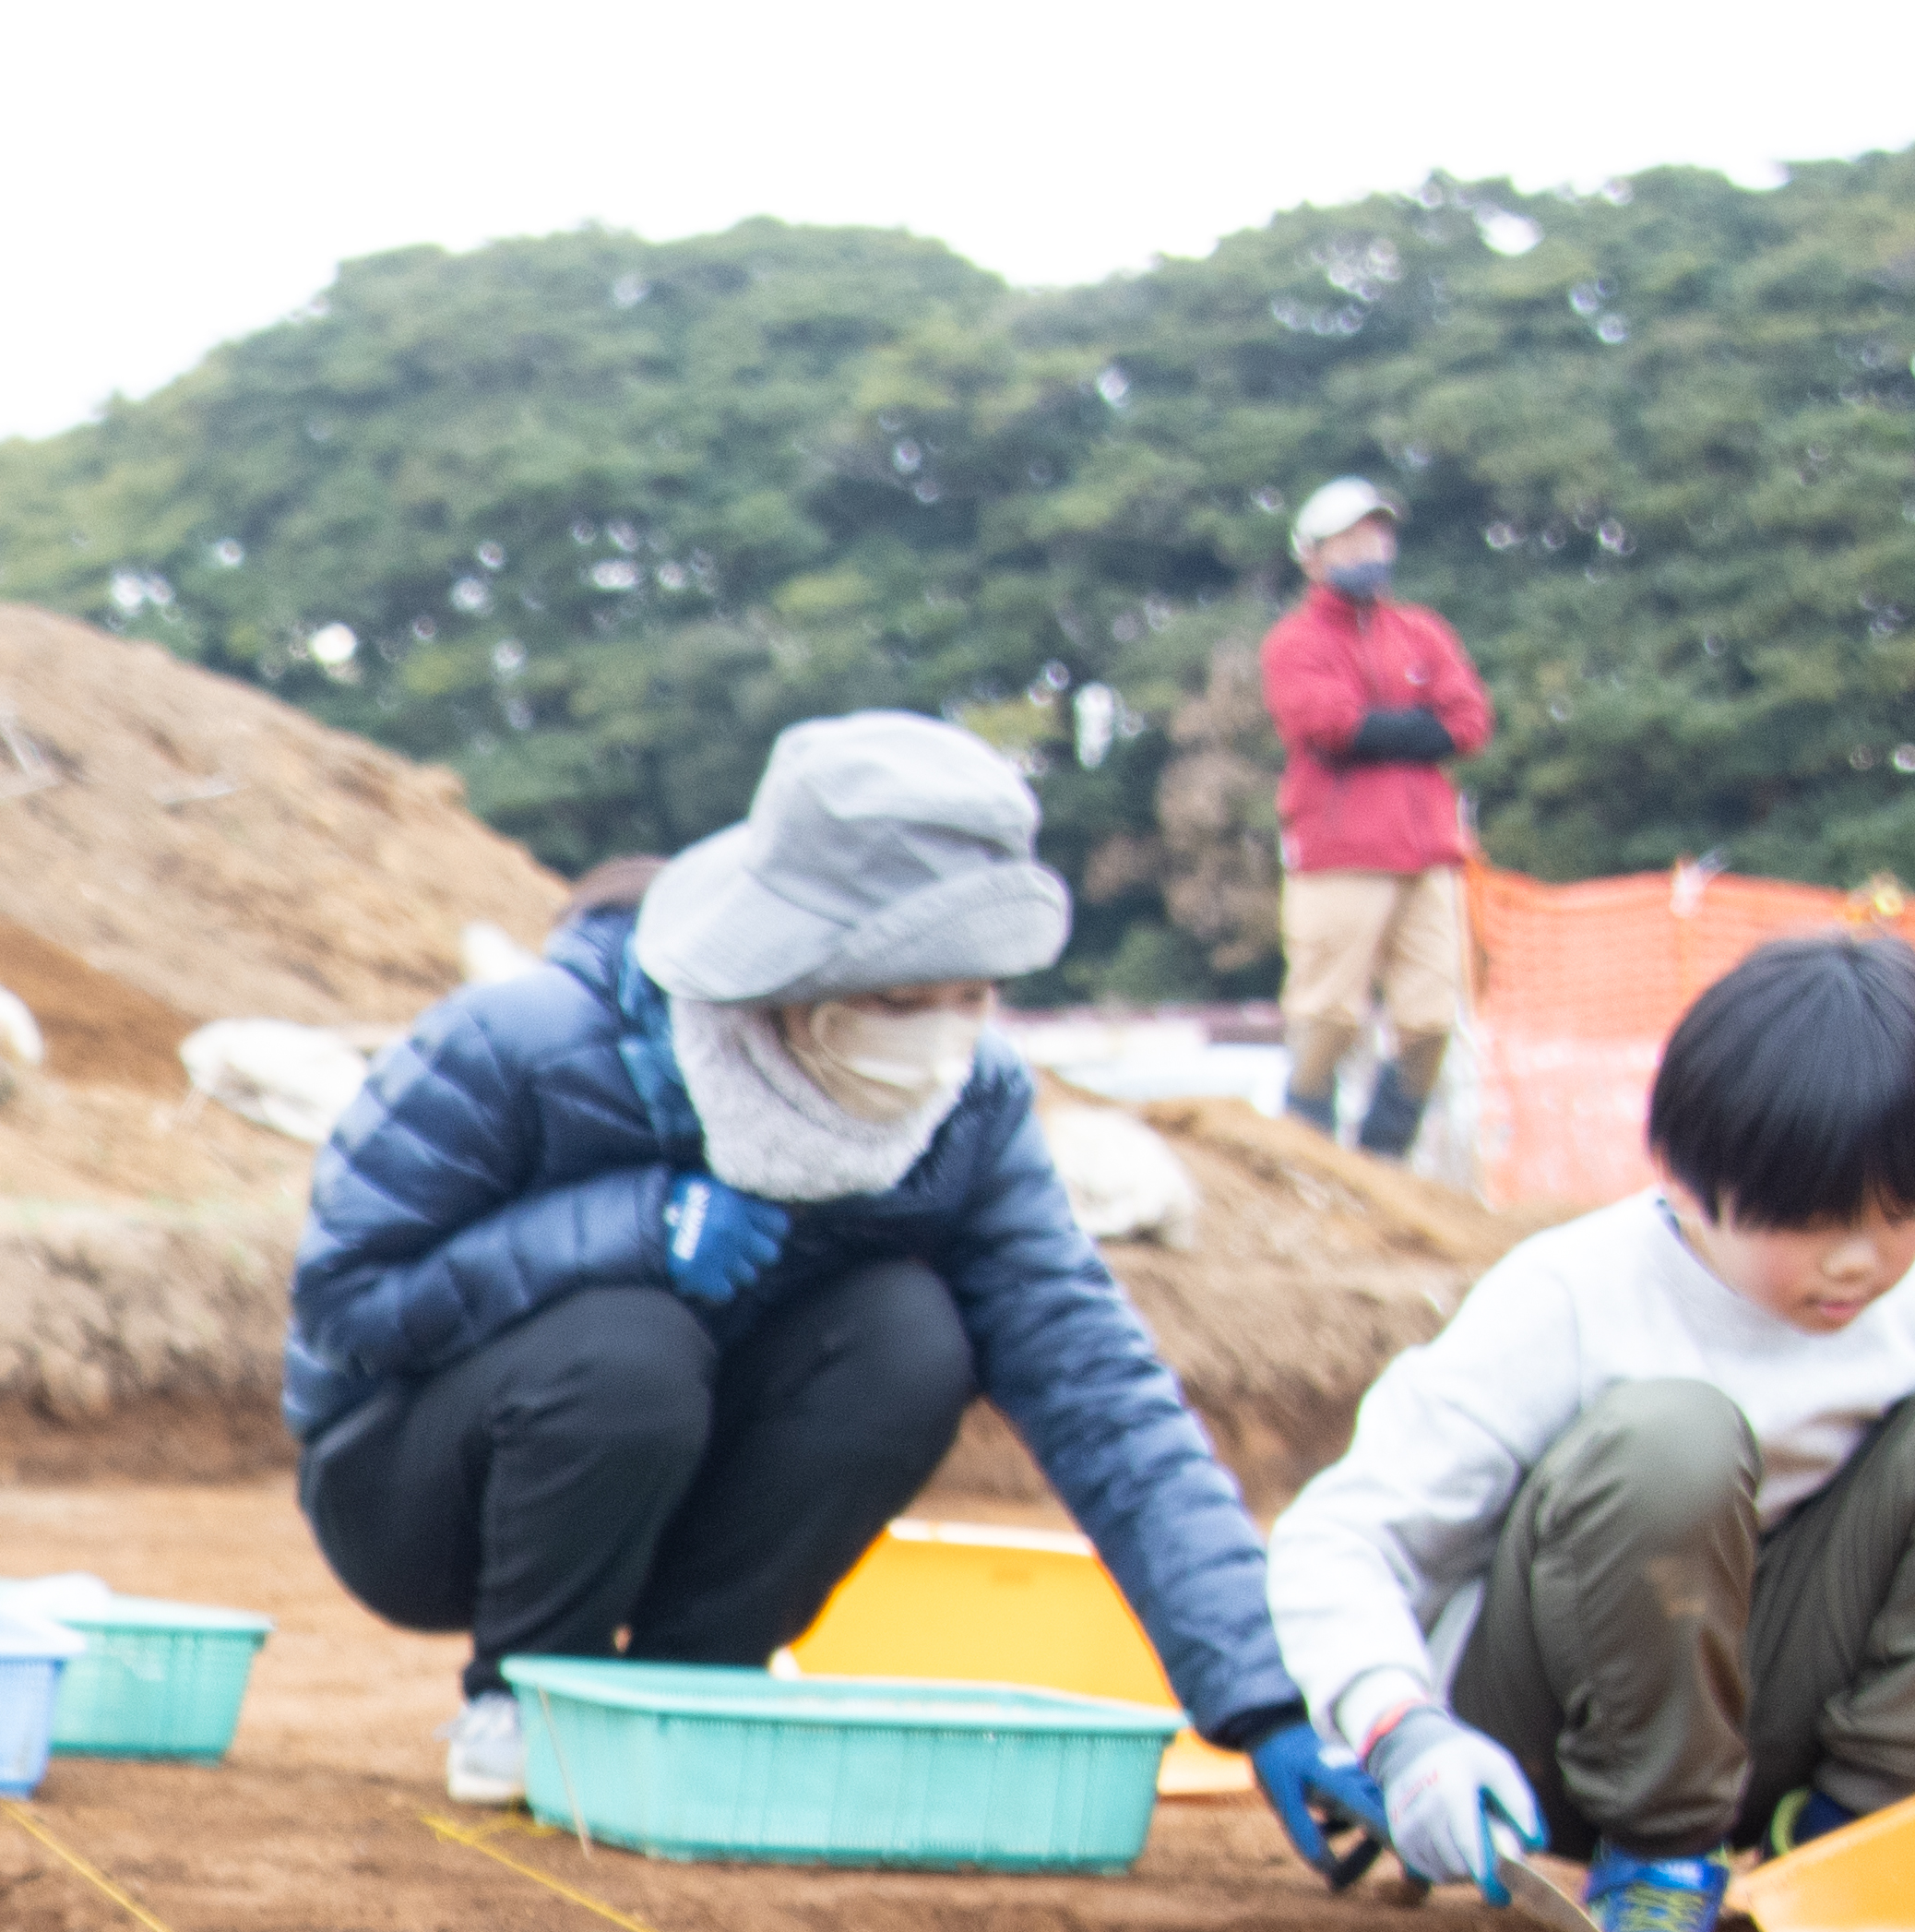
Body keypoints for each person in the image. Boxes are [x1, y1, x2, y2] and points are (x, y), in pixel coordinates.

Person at [289, 712, 1361, 1846]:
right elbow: (347, 1305)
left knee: (911, 1336)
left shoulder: (971, 1109)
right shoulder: (527, 1042)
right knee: (630, 1346)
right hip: (422, 1489)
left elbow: (1097, 1383)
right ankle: (526, 1696)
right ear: (789, 973)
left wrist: (1266, 1696)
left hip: (689, 1479)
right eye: (903, 1002)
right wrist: (631, 1227)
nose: (944, 1040)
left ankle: (688, 1690)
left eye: (973, 997)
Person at [1267, 931, 1915, 1932]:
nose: (1861, 1262)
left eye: (1900, 1213)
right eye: (1816, 1222)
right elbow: (1342, 1538)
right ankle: (1653, 1864)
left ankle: (1867, 1849)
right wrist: (1403, 1732)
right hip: (1565, 1740)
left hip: (1773, 1706)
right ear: (1684, 1182)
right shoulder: (1573, 1296)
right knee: (1672, 1436)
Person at [1260, 476, 1490, 1166]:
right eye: (1354, 537)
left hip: (1429, 855)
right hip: (1340, 851)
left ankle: (1383, 1159)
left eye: (1380, 535)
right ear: (1312, 554)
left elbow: (1471, 722)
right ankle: (1306, 1150)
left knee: (1431, 1019)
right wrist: (1421, 729)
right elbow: (1324, 723)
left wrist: (1378, 728)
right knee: (1327, 1013)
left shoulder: (1422, 630)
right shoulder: (1294, 641)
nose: (1373, 548)